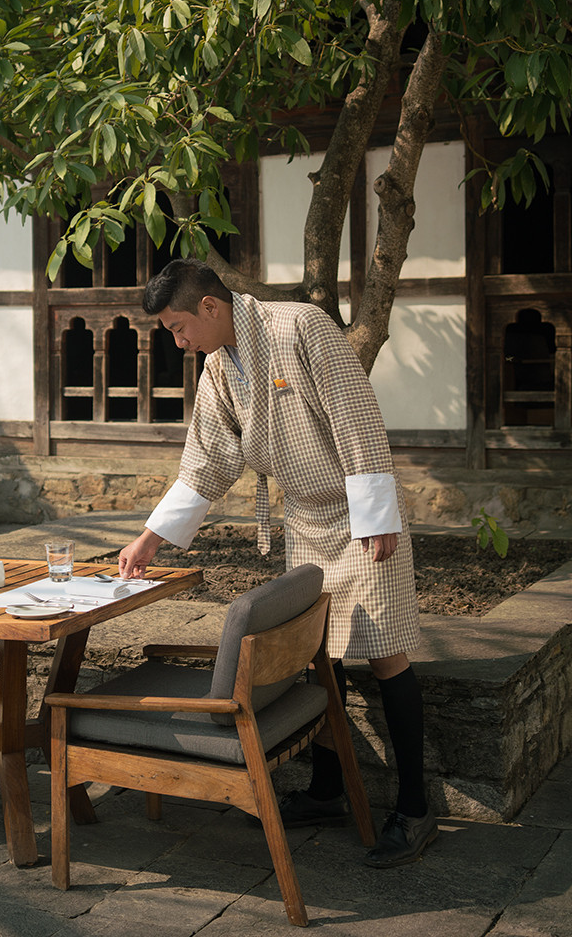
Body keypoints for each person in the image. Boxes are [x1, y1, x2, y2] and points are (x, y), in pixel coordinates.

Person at [118, 258, 437, 868]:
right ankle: (326, 791)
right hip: (309, 521)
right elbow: (207, 458)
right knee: (320, 654)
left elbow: (356, 415)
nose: (177, 341)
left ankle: (416, 807)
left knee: (385, 649)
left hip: (359, 516)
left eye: (180, 326)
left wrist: (377, 514)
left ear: (210, 306)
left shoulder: (300, 328)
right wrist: (150, 538)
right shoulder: (218, 366)